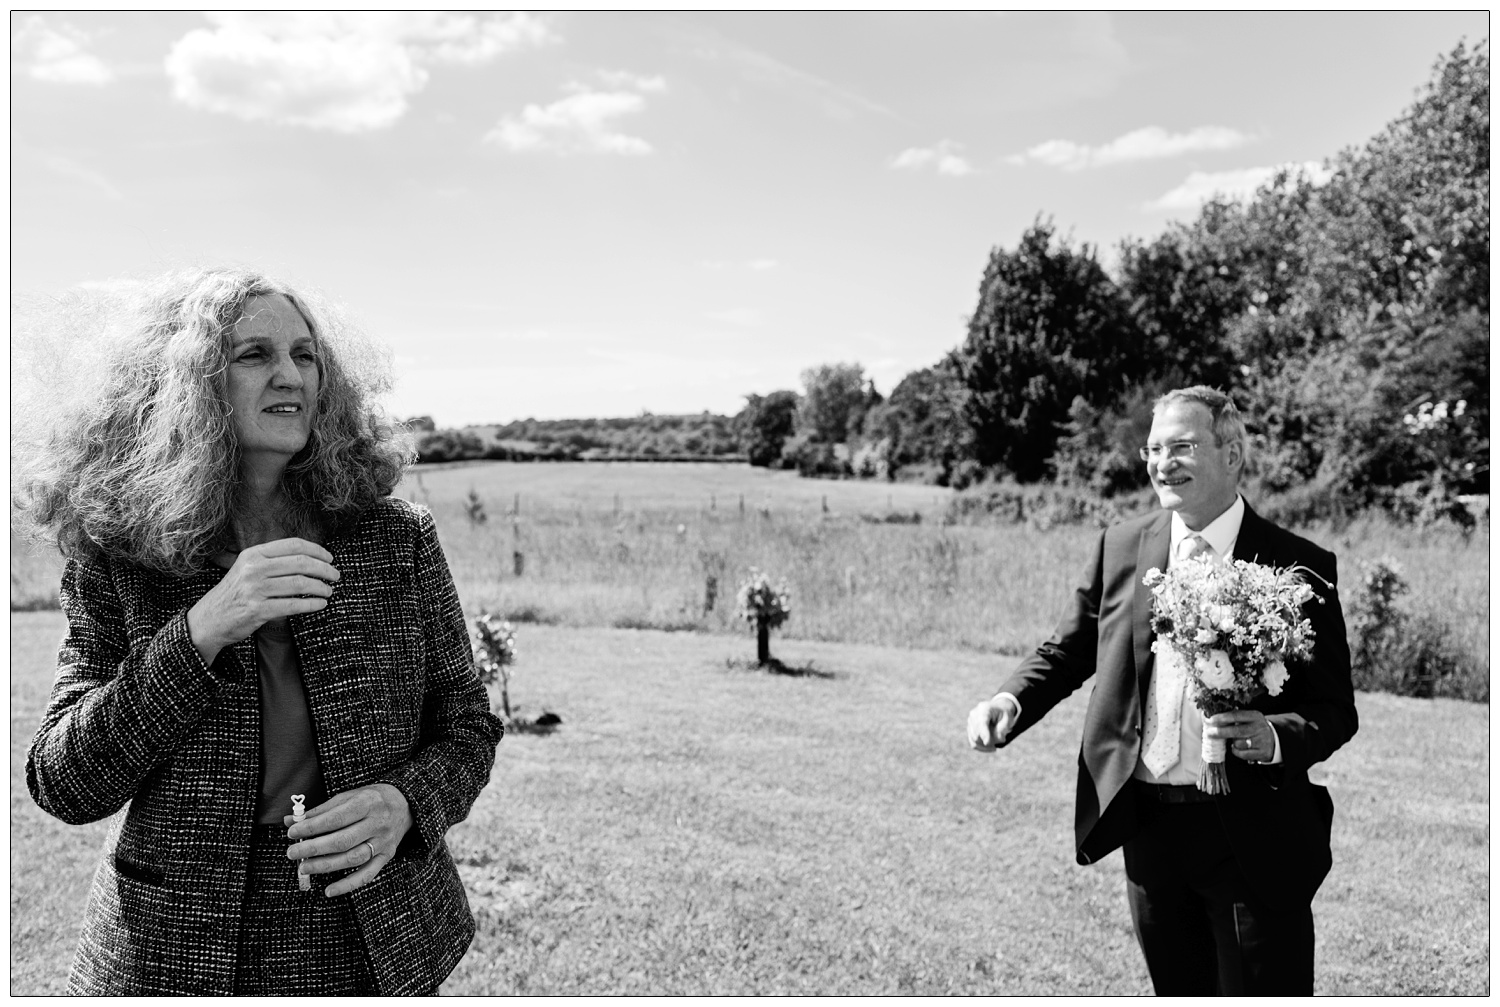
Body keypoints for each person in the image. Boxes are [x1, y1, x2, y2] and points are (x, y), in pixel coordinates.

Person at [20, 267, 505, 995]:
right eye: (255, 355)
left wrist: (405, 803)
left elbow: (467, 724)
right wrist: (202, 630)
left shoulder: (395, 538)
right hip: (172, 945)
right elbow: (64, 780)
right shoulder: (119, 554)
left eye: (304, 354)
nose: (291, 375)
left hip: (366, 933)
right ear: (187, 389)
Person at [965, 386, 1356, 996]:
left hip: (1252, 835)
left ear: (1232, 454)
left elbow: (1334, 709)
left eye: (1182, 446)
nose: (1161, 462)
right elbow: (1069, 650)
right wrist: (1009, 700)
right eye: (1153, 449)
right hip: (1149, 833)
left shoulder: (1299, 566)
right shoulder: (1120, 546)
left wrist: (1275, 735)